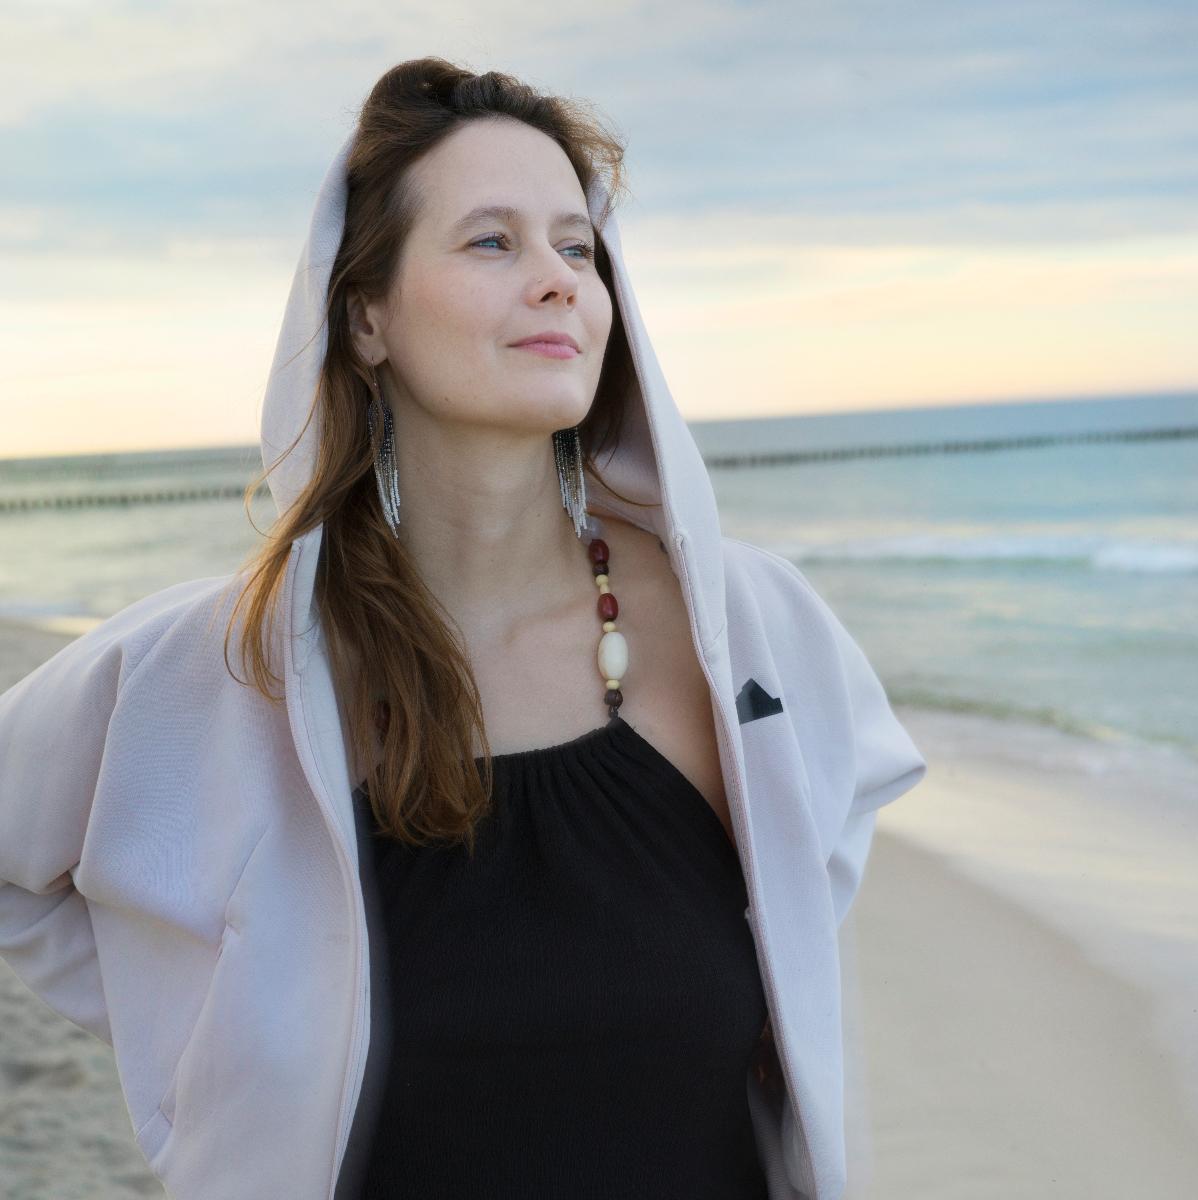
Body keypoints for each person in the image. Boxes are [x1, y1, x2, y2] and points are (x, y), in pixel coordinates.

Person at [0, 57, 926, 1200]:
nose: (558, 282)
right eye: (493, 241)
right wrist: (203, 1020)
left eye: (577, 248)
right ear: (366, 317)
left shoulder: (748, 635)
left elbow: (810, 894)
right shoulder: (235, 664)